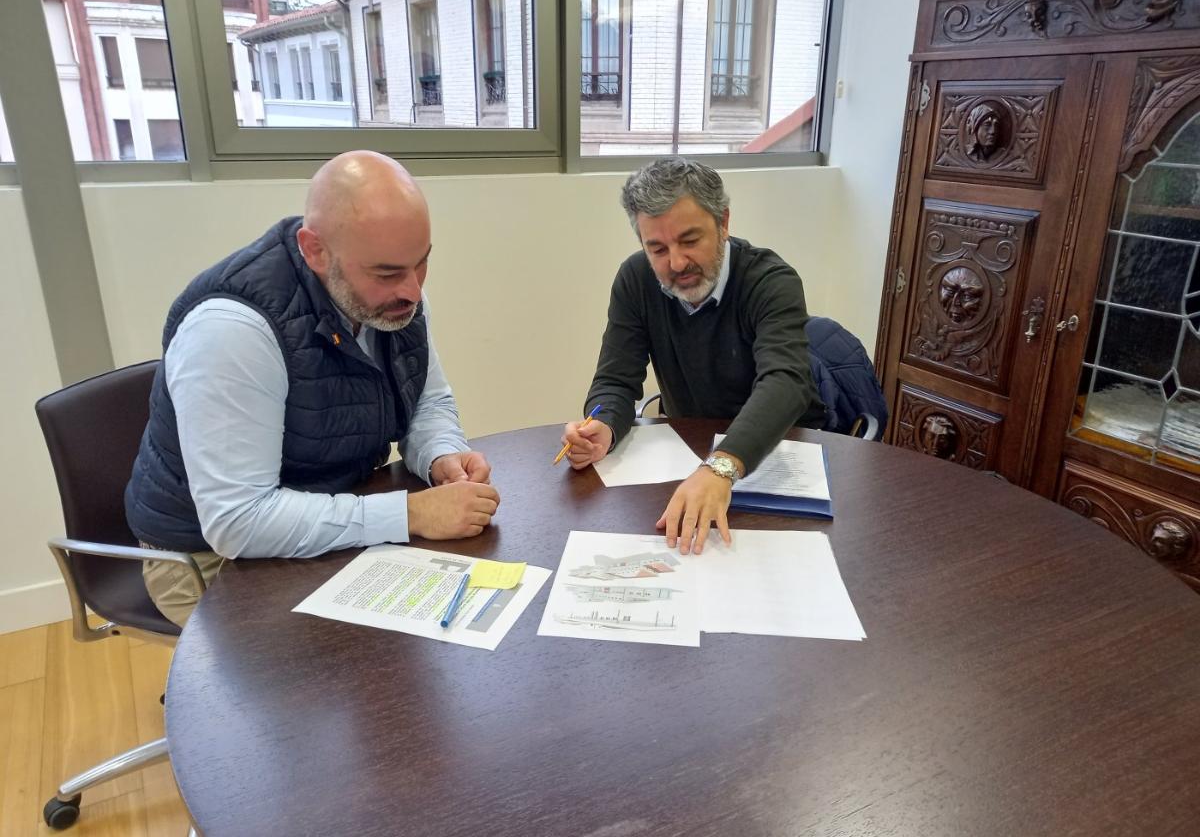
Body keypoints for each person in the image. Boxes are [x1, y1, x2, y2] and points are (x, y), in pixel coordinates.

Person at [125, 151, 499, 627]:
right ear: (315, 250)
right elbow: (238, 523)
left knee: (444, 623)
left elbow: (426, 398)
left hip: (337, 512)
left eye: (422, 263)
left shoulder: (389, 290)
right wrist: (410, 514)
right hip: (208, 562)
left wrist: (441, 455)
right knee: (335, 670)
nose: (412, 290)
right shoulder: (232, 331)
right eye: (387, 273)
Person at [561, 158, 823, 556]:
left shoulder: (771, 281)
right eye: (658, 248)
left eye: (689, 240)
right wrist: (602, 425)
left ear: (724, 222)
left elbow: (786, 383)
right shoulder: (636, 279)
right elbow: (616, 381)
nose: (677, 263)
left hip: (774, 459)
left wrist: (722, 465)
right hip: (688, 461)